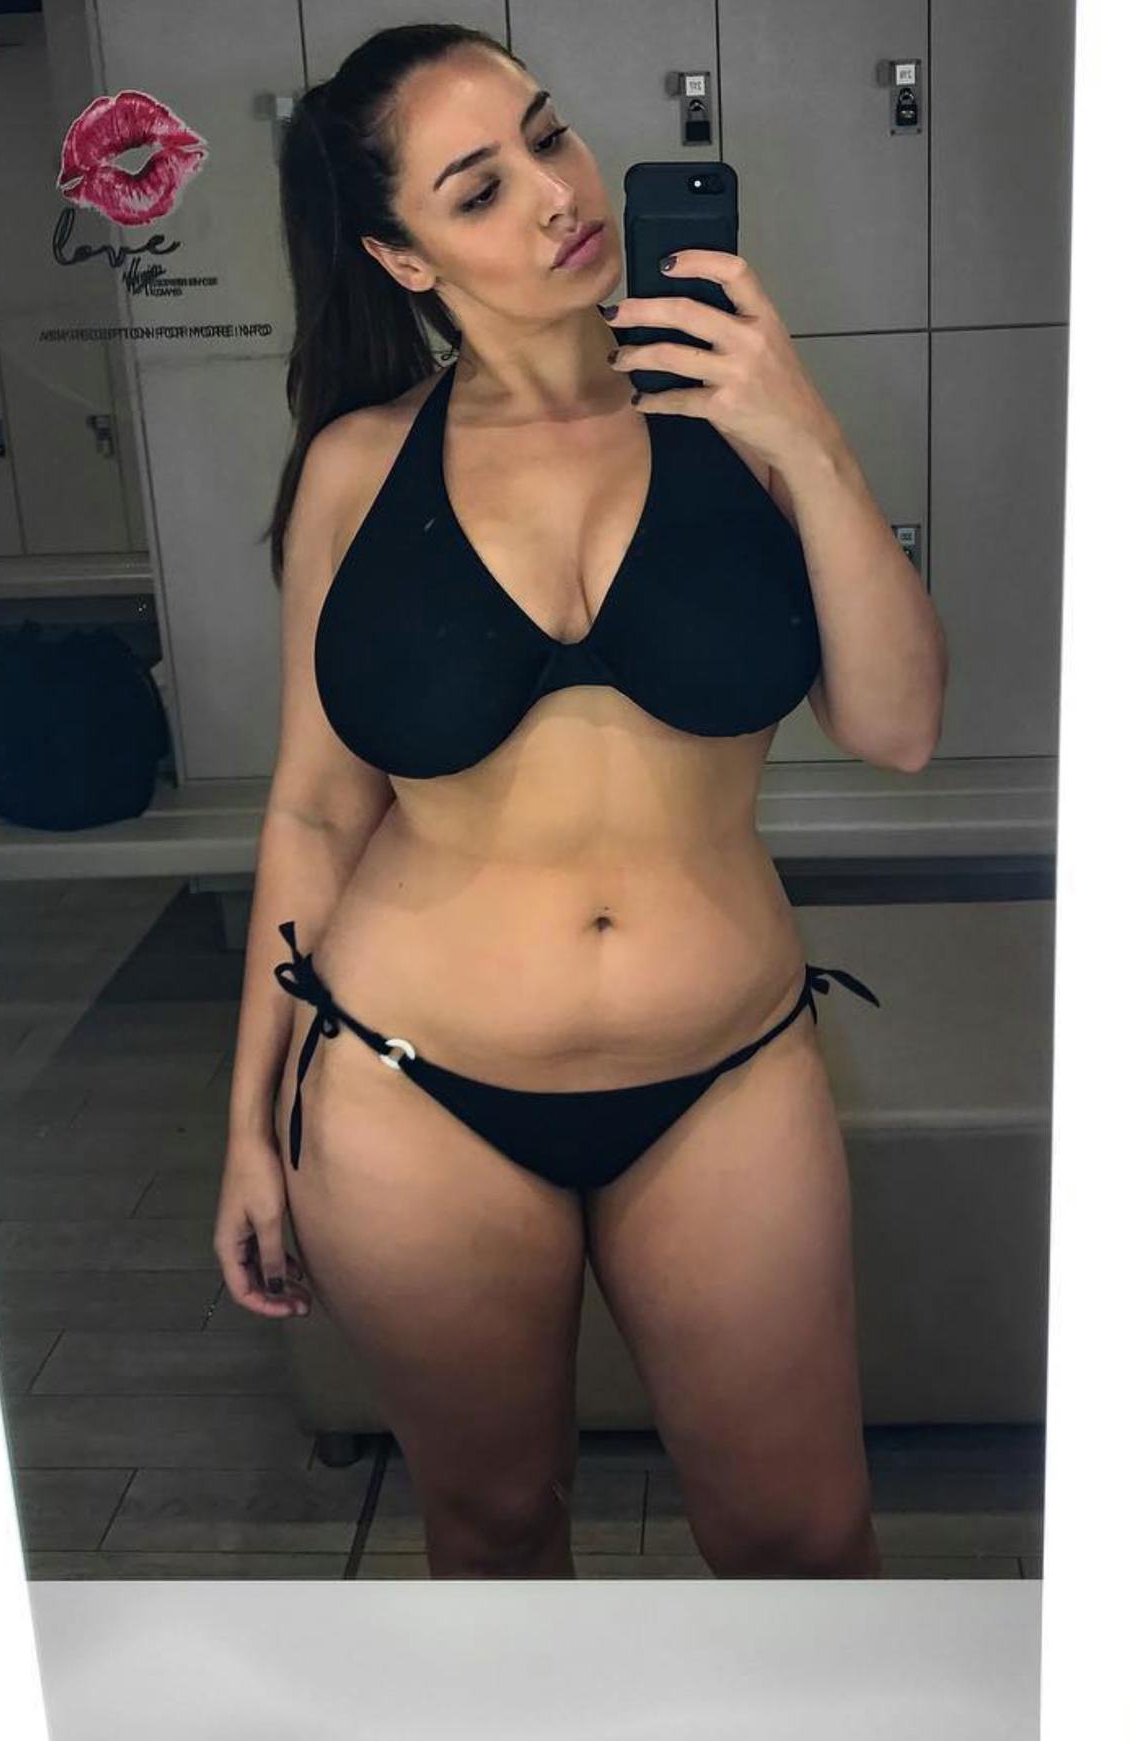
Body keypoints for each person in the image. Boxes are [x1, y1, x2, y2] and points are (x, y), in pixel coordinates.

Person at [213, 23, 946, 1580]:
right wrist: (247, 1127)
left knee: (805, 1539)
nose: (558, 193)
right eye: (479, 188)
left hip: (725, 1073)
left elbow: (897, 729)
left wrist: (802, 430)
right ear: (402, 259)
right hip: (414, 1091)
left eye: (549, 136)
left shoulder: (744, 416)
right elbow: (318, 815)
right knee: (491, 1532)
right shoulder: (356, 468)